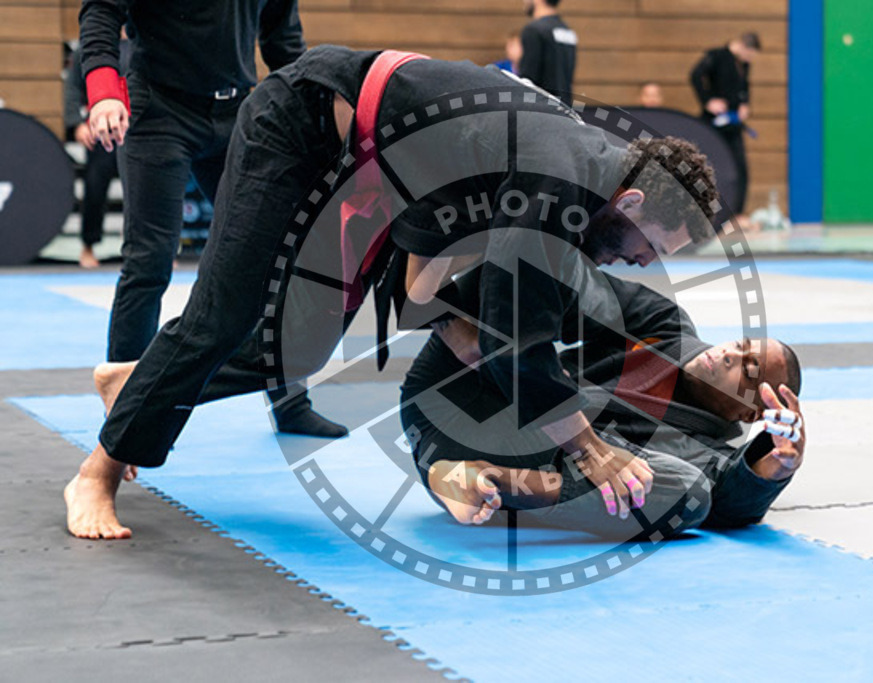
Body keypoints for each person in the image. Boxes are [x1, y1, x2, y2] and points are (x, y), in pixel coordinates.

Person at [65, 45, 720, 540]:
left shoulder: (590, 177)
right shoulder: (561, 179)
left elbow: (430, 285)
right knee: (227, 312)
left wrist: (451, 325)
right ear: (630, 199)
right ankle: (96, 471)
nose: (638, 262)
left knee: (298, 353)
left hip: (383, 180)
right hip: (305, 126)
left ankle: (135, 383)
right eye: (650, 245)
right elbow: (519, 343)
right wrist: (592, 449)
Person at [78, 0, 344, 437]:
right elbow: (101, 10)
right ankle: (125, 418)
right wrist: (104, 89)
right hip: (159, 108)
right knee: (148, 262)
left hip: (239, 111)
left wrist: (314, 119)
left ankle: (290, 402)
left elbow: (283, 43)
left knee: (276, 257)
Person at [402, 272, 804, 537]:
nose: (731, 355)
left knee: (691, 494)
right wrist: (479, 339)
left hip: (502, 465)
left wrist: (771, 472)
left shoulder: (710, 453)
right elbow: (573, 287)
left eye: (749, 371)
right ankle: (428, 291)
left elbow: (729, 504)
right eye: (740, 344)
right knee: (522, 267)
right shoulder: (663, 325)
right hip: (460, 389)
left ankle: (480, 479)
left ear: (749, 414)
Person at [63, 32, 130, 268]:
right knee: (95, 187)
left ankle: (157, 251)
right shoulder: (95, 43)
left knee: (148, 192)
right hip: (103, 130)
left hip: (140, 130)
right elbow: (72, 87)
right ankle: (88, 246)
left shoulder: (145, 41)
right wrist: (76, 125)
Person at [690, 32, 760, 217]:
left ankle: (737, 213)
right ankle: (704, 210)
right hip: (713, 123)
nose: (749, 59)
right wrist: (707, 101)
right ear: (743, 46)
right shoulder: (716, 56)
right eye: (750, 54)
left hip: (733, 124)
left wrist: (745, 104)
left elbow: (744, 86)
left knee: (739, 168)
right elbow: (695, 76)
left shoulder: (744, 63)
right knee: (707, 166)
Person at [518, 0, 577, 103]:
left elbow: (528, 80)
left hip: (541, 110)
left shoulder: (534, 30)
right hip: (565, 109)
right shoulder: (568, 31)